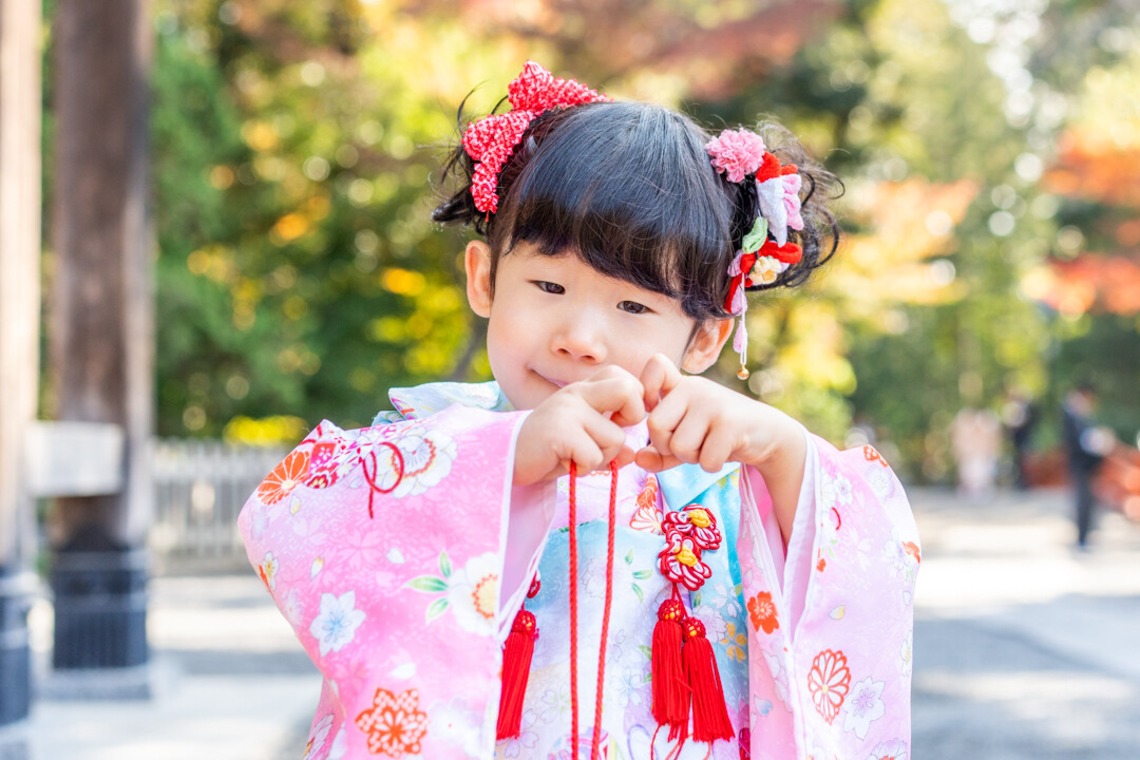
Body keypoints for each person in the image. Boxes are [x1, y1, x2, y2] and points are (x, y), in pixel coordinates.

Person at [238, 62, 919, 760]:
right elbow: (293, 517)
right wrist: (503, 461)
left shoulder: (725, 475)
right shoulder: (424, 445)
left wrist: (784, 454)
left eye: (632, 305)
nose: (580, 338)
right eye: (549, 285)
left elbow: (869, 572)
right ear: (484, 279)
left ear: (705, 338)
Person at [1061, 382, 1115, 549]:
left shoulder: (1084, 415)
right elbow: (1077, 439)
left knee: (1088, 501)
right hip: (1079, 463)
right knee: (1083, 500)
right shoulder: (1072, 414)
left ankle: (1085, 535)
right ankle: (1082, 537)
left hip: (1088, 463)